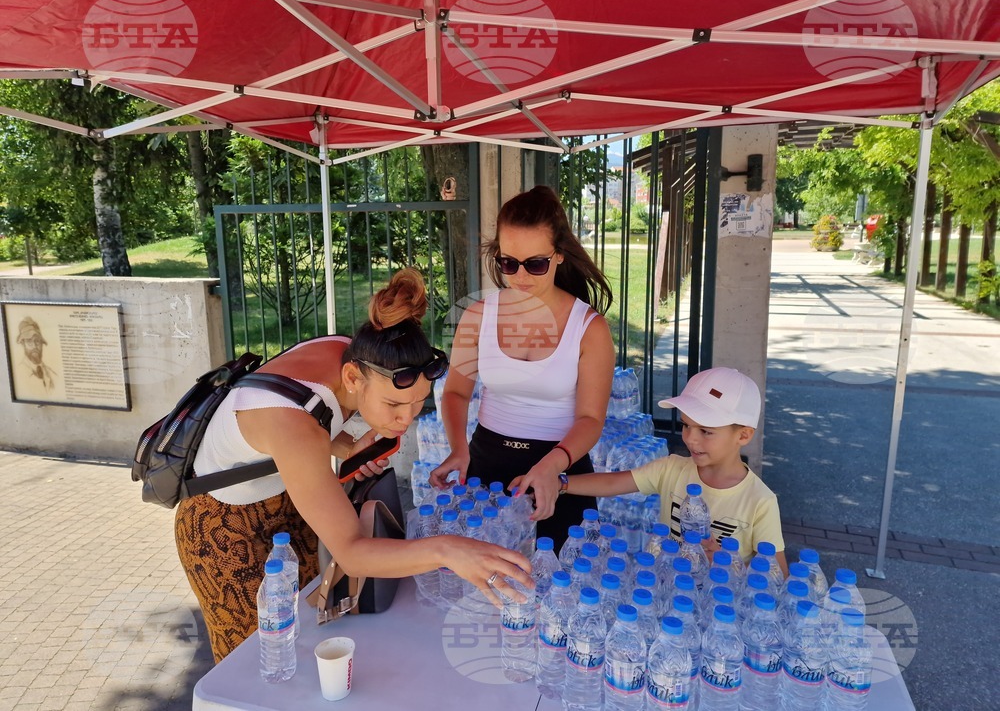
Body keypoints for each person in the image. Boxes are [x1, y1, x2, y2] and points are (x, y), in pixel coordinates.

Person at [174, 268, 532, 662]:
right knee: (258, 659)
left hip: (285, 496)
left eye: (417, 404)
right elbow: (352, 552)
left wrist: (347, 447)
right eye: (394, 405)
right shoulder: (292, 426)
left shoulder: (355, 350)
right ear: (352, 376)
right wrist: (448, 550)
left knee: (316, 629)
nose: (405, 420)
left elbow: (313, 413)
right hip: (224, 526)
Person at [429, 186, 615, 550]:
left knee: (558, 581)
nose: (519, 276)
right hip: (485, 461)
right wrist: (457, 447)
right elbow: (455, 391)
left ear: (559, 256)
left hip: (559, 468)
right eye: (508, 263)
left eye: (535, 264)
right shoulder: (478, 315)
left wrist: (552, 466)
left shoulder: (589, 328)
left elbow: (591, 420)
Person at [525, 366, 787, 574]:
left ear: (743, 435)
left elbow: (780, 574)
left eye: (706, 431)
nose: (691, 439)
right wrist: (559, 483)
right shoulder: (673, 469)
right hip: (666, 591)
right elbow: (614, 484)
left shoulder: (760, 501)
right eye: (686, 425)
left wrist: (731, 566)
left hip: (718, 609)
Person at [14, 317, 57, 394]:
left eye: (37, 340)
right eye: (29, 341)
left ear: (42, 343)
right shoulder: (17, 374)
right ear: (23, 344)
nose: (34, 346)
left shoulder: (53, 375)